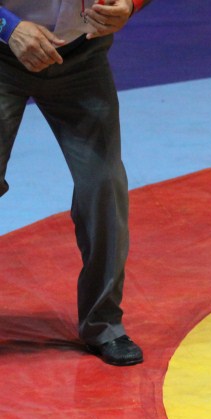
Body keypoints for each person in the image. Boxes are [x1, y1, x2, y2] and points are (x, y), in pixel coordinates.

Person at [0, 0, 148, 365]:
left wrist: (130, 5)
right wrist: (8, 27)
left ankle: (104, 323)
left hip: (82, 56)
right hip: (2, 53)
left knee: (104, 187)